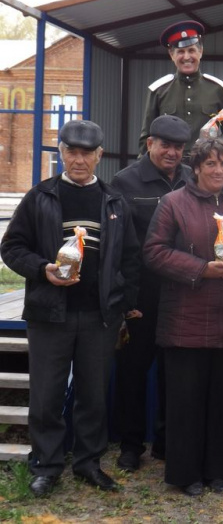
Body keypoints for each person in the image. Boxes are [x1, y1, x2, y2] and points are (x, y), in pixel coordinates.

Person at [1, 120, 140, 496]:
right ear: (61, 153)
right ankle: (46, 465)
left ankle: (88, 463)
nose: (78, 160)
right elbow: (11, 248)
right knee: (46, 395)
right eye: (71, 152)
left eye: (86, 153)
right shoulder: (40, 196)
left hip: (99, 316)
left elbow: (130, 258)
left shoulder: (113, 201)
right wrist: (44, 271)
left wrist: (123, 304)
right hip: (50, 313)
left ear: (99, 155)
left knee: (93, 395)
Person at [142, 138, 223, 496]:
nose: (219, 170)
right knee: (186, 402)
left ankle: (221, 471)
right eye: (211, 164)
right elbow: (153, 252)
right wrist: (202, 269)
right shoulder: (173, 204)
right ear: (196, 168)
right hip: (187, 323)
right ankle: (187, 474)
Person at [112, 115, 192, 471]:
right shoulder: (124, 182)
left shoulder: (192, 179)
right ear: (149, 144)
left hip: (183, 295)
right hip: (141, 295)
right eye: (165, 145)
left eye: (178, 147)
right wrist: (124, 299)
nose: (172, 152)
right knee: (133, 372)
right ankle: (130, 445)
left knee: (173, 373)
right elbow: (119, 248)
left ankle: (166, 441)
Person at [139, 20, 223, 156]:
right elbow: (147, 137)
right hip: (169, 168)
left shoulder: (217, 89)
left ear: (201, 51)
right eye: (180, 52)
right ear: (171, 55)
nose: (187, 57)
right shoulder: (159, 91)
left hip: (204, 167)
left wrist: (215, 150)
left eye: (191, 50)